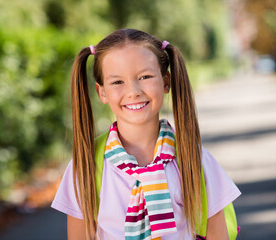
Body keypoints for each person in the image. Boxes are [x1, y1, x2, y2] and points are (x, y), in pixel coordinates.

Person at [52, 29, 241, 240]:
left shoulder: (195, 161)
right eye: (117, 82)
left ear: (166, 81)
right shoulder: (86, 166)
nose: (133, 91)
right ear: (102, 92)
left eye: (145, 76)